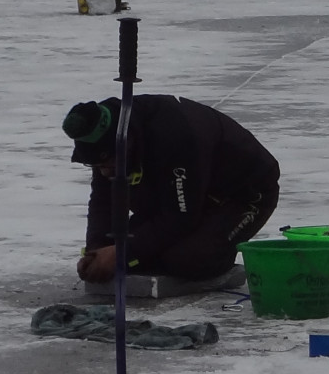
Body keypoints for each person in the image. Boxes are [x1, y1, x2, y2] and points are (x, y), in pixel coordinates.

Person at [63, 94, 278, 283]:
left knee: (186, 259)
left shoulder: (175, 136)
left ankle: (218, 257)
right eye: (96, 166)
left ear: (126, 145)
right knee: (118, 246)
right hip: (183, 195)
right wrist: (97, 248)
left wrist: (122, 254)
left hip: (243, 196)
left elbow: (180, 217)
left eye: (108, 164)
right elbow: (103, 200)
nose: (103, 172)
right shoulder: (108, 139)